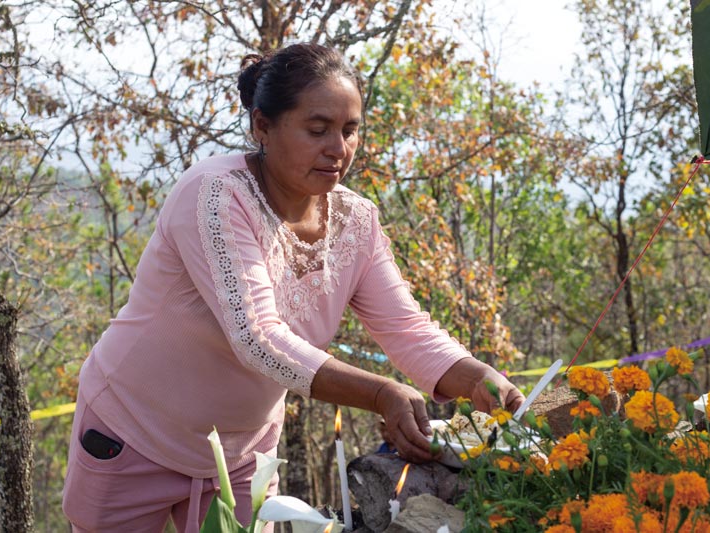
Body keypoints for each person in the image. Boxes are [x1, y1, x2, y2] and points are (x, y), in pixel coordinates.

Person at [62, 42, 524, 532]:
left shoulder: (356, 221)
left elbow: (406, 327)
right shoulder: (216, 194)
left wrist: (477, 378)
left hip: (240, 456)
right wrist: (381, 392)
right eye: (317, 129)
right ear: (262, 126)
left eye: (350, 131)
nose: (338, 149)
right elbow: (256, 336)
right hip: (132, 434)